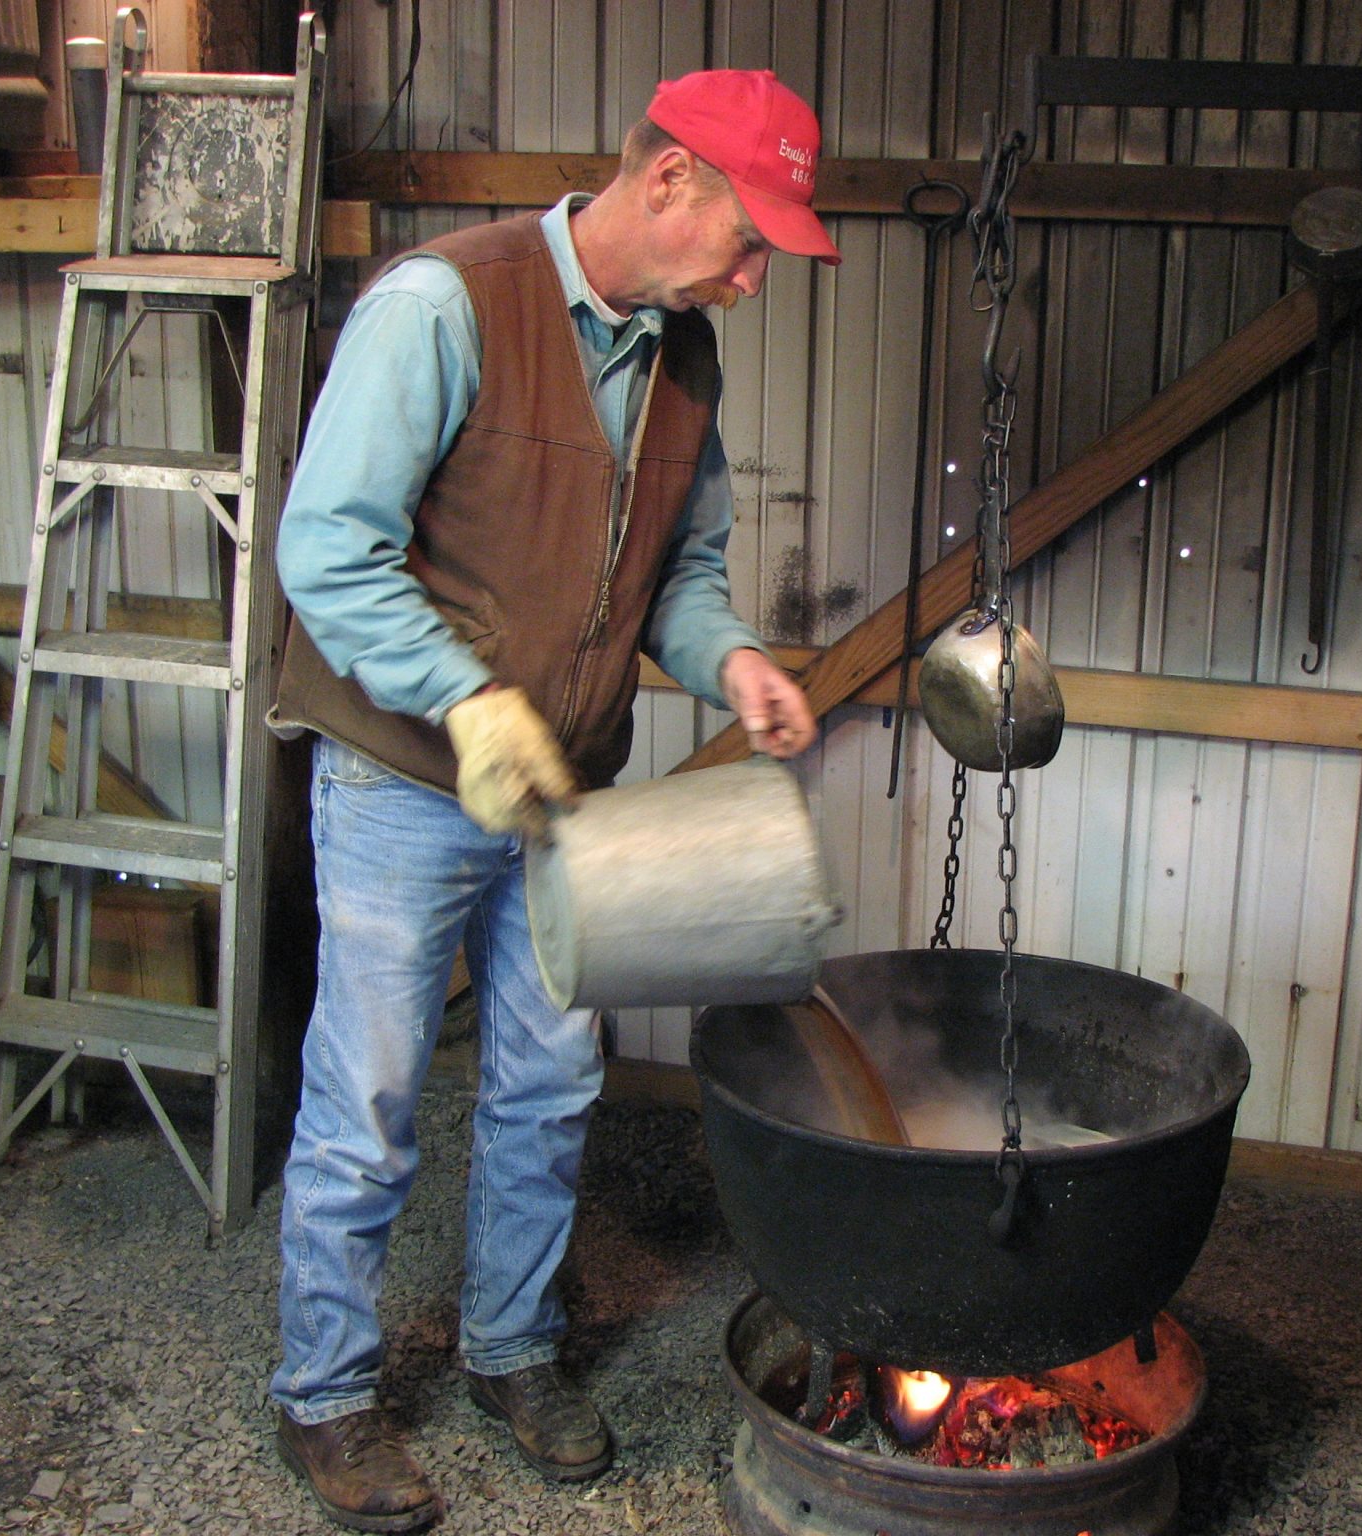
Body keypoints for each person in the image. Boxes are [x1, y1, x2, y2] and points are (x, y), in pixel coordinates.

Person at [263, 67, 836, 1533]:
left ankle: (512, 1350)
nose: (757, 274)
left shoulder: (686, 359)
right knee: (373, 1095)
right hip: (404, 782)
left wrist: (736, 661)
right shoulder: (441, 307)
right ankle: (324, 1394)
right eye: (751, 236)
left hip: (570, 793)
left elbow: (682, 580)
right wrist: (464, 699)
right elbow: (326, 550)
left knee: (549, 1084)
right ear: (668, 185)